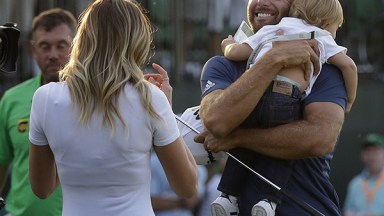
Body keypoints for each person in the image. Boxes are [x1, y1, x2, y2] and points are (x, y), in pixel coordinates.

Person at [28, 1, 198, 216]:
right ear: (136, 41)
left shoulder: (45, 98)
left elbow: (41, 189)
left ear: (83, 38)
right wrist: (167, 111)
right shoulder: (151, 99)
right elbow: (187, 187)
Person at [195, 0, 348, 215]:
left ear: (296, 6)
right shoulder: (222, 65)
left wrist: (238, 139)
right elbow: (216, 120)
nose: (261, 3)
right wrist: (274, 58)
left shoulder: (322, 63)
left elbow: (320, 138)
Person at [0, 8, 77, 216]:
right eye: (44, 46)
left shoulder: (95, 100)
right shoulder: (12, 99)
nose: (53, 55)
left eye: (61, 45)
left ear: (77, 46)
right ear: (33, 50)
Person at [223, 0, 356, 112]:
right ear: (326, 25)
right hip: (285, 98)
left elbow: (235, 53)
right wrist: (349, 101)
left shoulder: (271, 29)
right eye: (336, 29)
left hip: (252, 95)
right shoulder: (321, 35)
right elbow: (349, 66)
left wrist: (227, 44)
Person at [150, 151, 207, 216]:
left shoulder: (199, 168)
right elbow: (152, 203)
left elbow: (190, 202)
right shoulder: (153, 161)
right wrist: (181, 203)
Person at [343, 133, 384, 215]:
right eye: (368, 151)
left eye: (376, 151)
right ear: (362, 155)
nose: (371, 156)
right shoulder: (355, 184)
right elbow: (347, 211)